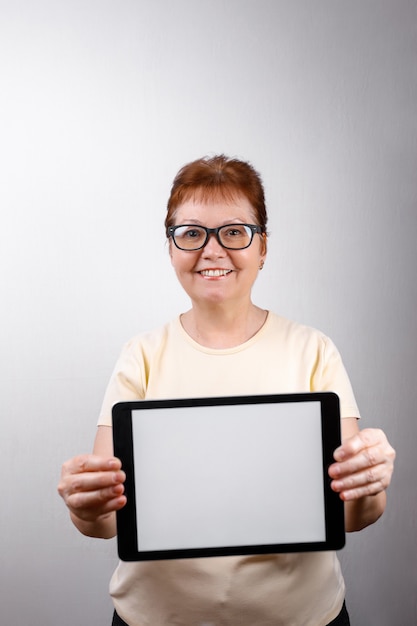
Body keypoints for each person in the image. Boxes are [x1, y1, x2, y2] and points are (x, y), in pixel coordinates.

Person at [58, 155, 395, 626]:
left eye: (234, 231)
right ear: (171, 248)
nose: (212, 250)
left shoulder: (312, 350)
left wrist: (371, 481)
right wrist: (84, 506)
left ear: (262, 248)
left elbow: (353, 514)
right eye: (191, 233)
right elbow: (108, 519)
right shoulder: (142, 356)